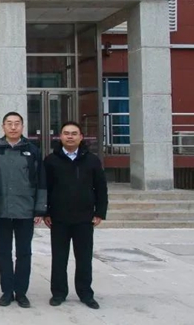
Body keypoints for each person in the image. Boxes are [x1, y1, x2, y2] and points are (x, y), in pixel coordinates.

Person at [44, 121, 108, 310]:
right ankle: (58, 293)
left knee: (84, 258)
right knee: (59, 258)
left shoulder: (92, 160)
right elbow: (45, 188)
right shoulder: (51, 160)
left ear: (81, 137)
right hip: (59, 218)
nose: (70, 136)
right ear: (60, 137)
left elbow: (101, 188)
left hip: (84, 218)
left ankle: (85, 293)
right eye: (66, 133)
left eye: (74, 133)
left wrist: (100, 212)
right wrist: (45, 212)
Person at [0, 111, 46, 309]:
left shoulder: (33, 150)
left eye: (17, 123)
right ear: (3, 126)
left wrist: (39, 209)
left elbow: (40, 181)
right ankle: (6, 291)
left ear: (22, 126)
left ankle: (21, 292)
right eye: (9, 123)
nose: (13, 127)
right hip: (2, 210)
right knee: (3, 252)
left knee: (24, 253)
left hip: (25, 210)